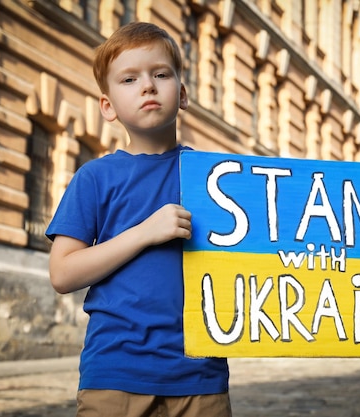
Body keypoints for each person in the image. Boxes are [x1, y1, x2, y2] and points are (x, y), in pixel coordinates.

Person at [45, 22, 231, 417]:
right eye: (129, 79)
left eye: (160, 74)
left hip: (201, 377)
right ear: (108, 106)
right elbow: (63, 274)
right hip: (114, 375)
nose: (147, 86)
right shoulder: (94, 178)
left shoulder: (216, 179)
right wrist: (145, 233)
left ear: (181, 94)